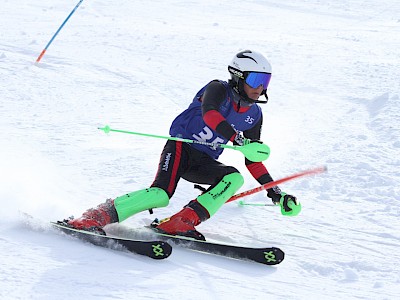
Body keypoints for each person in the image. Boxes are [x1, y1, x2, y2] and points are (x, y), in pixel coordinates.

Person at [66, 49, 301, 240]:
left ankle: (182, 221)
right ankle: (96, 216)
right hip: (181, 147)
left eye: (265, 81)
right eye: (256, 80)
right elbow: (210, 114)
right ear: (238, 77)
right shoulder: (218, 88)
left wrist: (276, 193)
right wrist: (238, 140)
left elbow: (254, 159)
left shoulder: (255, 114)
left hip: (204, 160)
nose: (260, 88)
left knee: (234, 178)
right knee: (160, 194)